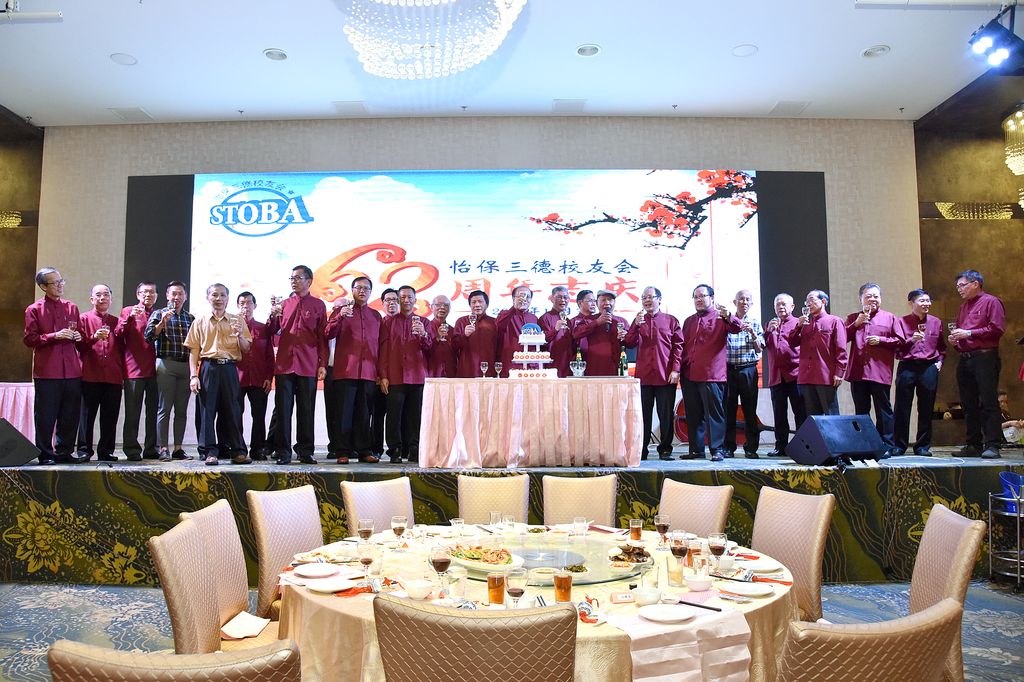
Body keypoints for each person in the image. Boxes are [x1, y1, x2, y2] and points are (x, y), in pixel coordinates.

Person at [23, 268, 85, 465]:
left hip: (72, 370)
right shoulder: (34, 309)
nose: (60, 286)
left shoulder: (71, 307)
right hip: (48, 371)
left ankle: (64, 452)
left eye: (61, 281)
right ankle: (45, 454)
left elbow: (80, 335)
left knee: (70, 415)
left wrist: (78, 336)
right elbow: (29, 339)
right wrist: (54, 336)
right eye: (55, 283)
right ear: (43, 287)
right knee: (46, 416)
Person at [185, 283, 252, 465]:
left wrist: (240, 335)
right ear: (208, 298)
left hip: (229, 368)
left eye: (222, 295)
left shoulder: (237, 320)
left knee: (233, 410)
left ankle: (237, 451)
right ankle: (209, 452)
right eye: (215, 295)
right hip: (208, 367)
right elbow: (194, 351)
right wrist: (193, 376)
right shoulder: (200, 321)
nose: (219, 299)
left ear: (227, 299)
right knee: (206, 411)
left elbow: (246, 348)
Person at [267, 265, 327, 465]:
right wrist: (273, 315)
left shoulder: (318, 305)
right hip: (285, 364)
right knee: (283, 411)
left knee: (306, 410)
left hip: (308, 364)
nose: (294, 281)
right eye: (292, 278)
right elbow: (271, 331)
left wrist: (322, 363)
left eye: (298, 278)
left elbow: (322, 337)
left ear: (309, 281)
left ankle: (305, 451)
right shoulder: (284, 304)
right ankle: (283, 452)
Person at [681, 284, 743, 462]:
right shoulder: (689, 321)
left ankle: (717, 449)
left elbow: (737, 328)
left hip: (712, 374)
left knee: (714, 415)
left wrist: (729, 315)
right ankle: (696, 450)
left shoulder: (721, 317)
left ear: (712, 298)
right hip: (689, 373)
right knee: (693, 414)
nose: (699, 300)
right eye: (696, 297)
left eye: (702, 296)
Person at [844, 283, 906, 457]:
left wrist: (881, 340)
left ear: (880, 298)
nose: (872, 299)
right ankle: (864, 445)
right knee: (861, 411)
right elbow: (842, 338)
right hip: (858, 372)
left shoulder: (890, 318)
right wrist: (856, 324)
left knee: (883, 410)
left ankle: (886, 445)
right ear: (861, 299)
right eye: (868, 296)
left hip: (880, 371)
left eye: (876, 296)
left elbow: (901, 340)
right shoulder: (853, 318)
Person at [324, 276, 382, 464]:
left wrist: (380, 373)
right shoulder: (341, 312)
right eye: (359, 288)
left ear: (370, 292)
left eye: (366, 288)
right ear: (352, 290)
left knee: (364, 413)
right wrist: (339, 317)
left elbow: (381, 346)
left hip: (368, 371)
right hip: (345, 370)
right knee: (344, 413)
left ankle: (364, 451)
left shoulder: (376, 316)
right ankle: (342, 451)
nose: (362, 291)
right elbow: (328, 333)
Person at [949, 269, 1006, 459]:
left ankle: (993, 444)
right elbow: (961, 331)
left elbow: (997, 328)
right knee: (968, 403)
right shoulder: (964, 307)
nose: (959, 289)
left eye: (962, 285)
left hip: (985, 357)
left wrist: (969, 333)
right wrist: (956, 339)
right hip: (966, 358)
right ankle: (973, 444)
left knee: (988, 401)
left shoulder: (991, 302)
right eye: (957, 286)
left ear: (975, 284)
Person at [623, 286, 683, 460]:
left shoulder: (671, 320)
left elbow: (679, 347)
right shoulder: (638, 321)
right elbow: (629, 342)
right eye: (644, 298)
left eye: (650, 297)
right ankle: (641, 449)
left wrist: (676, 369)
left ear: (659, 299)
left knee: (665, 414)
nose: (647, 300)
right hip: (644, 377)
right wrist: (635, 324)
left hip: (665, 375)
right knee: (642, 415)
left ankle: (665, 449)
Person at [378, 285, 433, 463]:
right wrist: (383, 375)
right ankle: (394, 450)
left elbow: (430, 348)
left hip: (417, 376)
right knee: (393, 416)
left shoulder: (424, 322)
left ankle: (414, 449)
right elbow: (383, 351)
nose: (406, 300)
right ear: (398, 300)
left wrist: (423, 334)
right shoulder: (388, 322)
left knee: (415, 416)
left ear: (415, 300)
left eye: (410, 297)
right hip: (395, 376)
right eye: (402, 297)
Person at [145, 281, 195, 461]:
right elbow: (148, 337)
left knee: (181, 410)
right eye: (173, 293)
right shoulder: (159, 313)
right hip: (166, 364)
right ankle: (163, 448)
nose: (177, 297)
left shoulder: (190, 318)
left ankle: (178, 448)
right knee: (164, 408)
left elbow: (195, 344)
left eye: (180, 294)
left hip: (185, 366)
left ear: (185, 297)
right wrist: (162, 323)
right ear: (167, 295)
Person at [893, 289, 946, 456]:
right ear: (911, 303)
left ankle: (922, 446)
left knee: (926, 407)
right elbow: (896, 349)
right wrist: (911, 340)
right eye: (922, 301)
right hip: (907, 365)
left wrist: (939, 362)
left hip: (929, 366)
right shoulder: (901, 322)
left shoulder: (936, 322)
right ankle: (899, 445)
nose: (926, 304)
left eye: (928, 301)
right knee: (902, 407)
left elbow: (942, 347)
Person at [75, 283, 124, 463]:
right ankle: (84, 450)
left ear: (111, 299)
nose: (102, 298)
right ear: (91, 299)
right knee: (86, 416)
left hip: (113, 376)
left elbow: (123, 349)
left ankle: (106, 451)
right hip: (90, 374)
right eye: (98, 295)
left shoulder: (117, 322)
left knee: (110, 416)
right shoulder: (83, 319)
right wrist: (94, 337)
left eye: (106, 295)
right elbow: (78, 346)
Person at [115, 281, 159, 461]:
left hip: (156, 371)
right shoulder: (128, 311)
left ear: (156, 296)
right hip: (134, 370)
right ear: (138, 294)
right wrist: (130, 318)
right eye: (145, 292)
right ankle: (132, 449)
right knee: (133, 413)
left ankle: (151, 449)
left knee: (153, 413)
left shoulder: (159, 314)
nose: (148, 295)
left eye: (152, 292)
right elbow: (118, 333)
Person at [790, 290, 847, 417]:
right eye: (806, 301)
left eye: (811, 300)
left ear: (823, 301)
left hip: (825, 376)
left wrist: (839, 372)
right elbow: (792, 343)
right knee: (812, 418)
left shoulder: (835, 321)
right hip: (806, 377)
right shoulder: (805, 324)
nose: (808, 304)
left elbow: (841, 349)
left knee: (831, 416)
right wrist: (798, 326)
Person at [724, 289, 764, 458]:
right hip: (728, 370)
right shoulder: (726, 322)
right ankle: (728, 447)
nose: (744, 302)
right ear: (735, 302)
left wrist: (753, 334)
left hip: (748, 370)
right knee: (728, 410)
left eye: (748, 299)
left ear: (752, 303)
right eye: (741, 299)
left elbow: (760, 349)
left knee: (749, 409)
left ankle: (751, 448)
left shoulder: (755, 322)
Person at [764, 293, 805, 456]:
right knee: (779, 414)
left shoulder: (799, 323)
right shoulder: (770, 324)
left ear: (792, 307)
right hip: (776, 376)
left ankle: (802, 447)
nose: (780, 307)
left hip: (795, 375)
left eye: (784, 304)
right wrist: (768, 331)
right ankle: (781, 446)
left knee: (800, 413)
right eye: (777, 305)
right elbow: (763, 345)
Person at [235, 291, 274, 461]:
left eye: (249, 303)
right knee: (236, 415)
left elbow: (269, 355)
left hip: (259, 378)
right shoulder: (232, 327)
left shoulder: (263, 328)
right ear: (237, 306)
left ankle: (258, 449)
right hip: (237, 378)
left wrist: (269, 377)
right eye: (242, 303)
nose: (246, 306)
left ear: (255, 306)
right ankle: (239, 449)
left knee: (259, 416)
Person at [370, 287, 399, 458]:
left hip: (399, 378)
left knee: (398, 416)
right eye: (388, 300)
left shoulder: (407, 323)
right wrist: (380, 375)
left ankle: (398, 449)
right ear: (382, 303)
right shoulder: (378, 322)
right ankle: (376, 448)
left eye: (395, 300)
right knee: (378, 414)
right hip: (379, 376)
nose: (391, 303)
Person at [572, 290, 627, 376]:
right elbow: (576, 334)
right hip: (594, 369)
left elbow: (631, 343)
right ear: (597, 303)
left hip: (617, 369)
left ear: (614, 303)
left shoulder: (621, 321)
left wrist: (626, 335)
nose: (607, 303)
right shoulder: (589, 319)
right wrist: (597, 322)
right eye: (603, 300)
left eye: (610, 300)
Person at [495, 285, 539, 377]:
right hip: (511, 365)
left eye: (527, 297)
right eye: (521, 296)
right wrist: (514, 308)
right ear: (513, 299)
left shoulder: (534, 318)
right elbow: (499, 326)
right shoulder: (505, 314)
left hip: (531, 366)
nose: (524, 299)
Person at [452, 290, 497, 377]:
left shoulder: (494, 322)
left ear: (487, 304)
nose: (477, 305)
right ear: (470, 305)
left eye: (480, 301)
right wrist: (464, 335)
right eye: (473, 302)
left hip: (489, 370)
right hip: (467, 370)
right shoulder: (461, 321)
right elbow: (454, 346)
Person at [538, 286, 573, 377]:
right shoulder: (545, 318)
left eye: (565, 297)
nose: (563, 300)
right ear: (552, 299)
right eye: (559, 297)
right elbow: (542, 341)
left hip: (568, 365)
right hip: (552, 365)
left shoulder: (568, 320)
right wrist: (555, 330)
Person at [427, 294, 456, 378]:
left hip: (451, 375)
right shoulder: (425, 327)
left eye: (446, 305)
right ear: (431, 307)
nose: (442, 307)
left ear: (449, 309)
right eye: (438, 305)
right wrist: (437, 338)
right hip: (431, 375)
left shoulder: (453, 330)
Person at [570, 290, 598, 366]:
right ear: (580, 303)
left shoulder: (598, 320)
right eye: (590, 301)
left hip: (597, 361)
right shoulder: (572, 322)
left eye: (595, 301)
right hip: (578, 362)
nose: (593, 304)